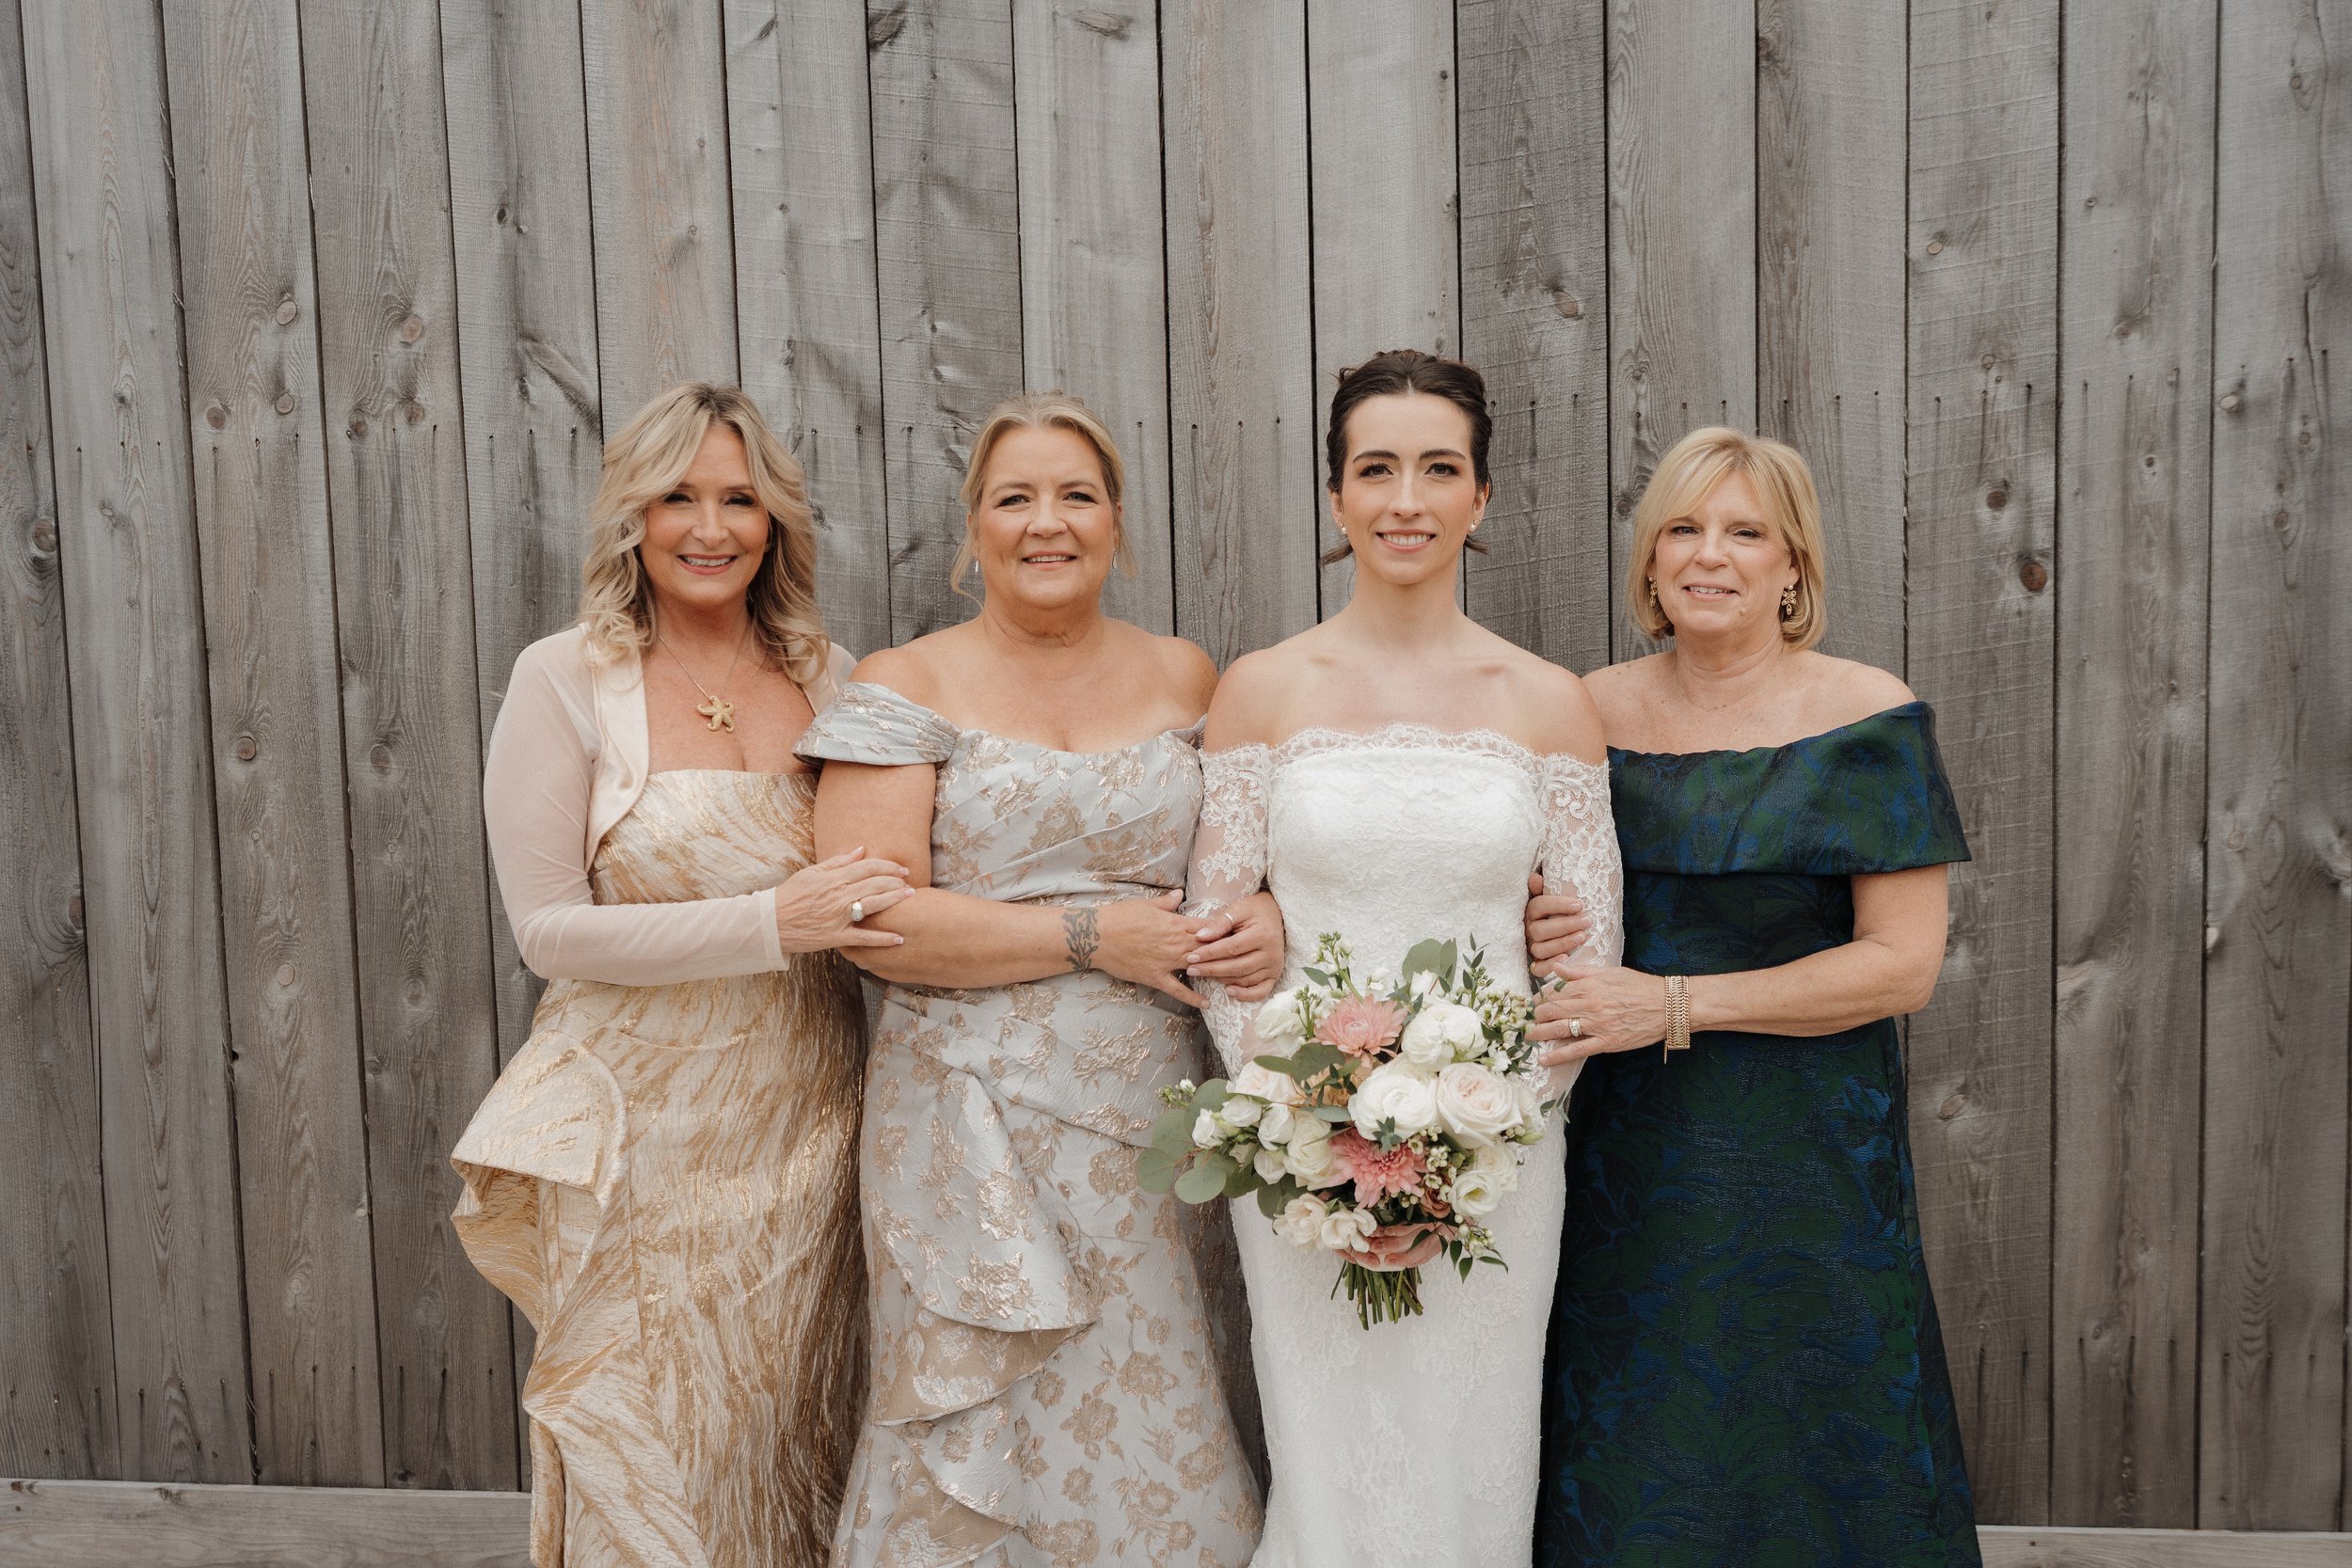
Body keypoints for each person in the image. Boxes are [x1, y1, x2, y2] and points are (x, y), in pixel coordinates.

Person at [801, 391, 1279, 1567]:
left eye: (1075, 494)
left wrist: (1263, 914)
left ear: (1116, 521)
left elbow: (1245, 855)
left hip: (1153, 1120)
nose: (1046, 522)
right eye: (1014, 498)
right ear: (974, 531)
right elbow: (868, 919)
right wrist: (1089, 936)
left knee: (1152, 1384)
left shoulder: (1184, 673)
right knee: (981, 1404)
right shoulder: (906, 678)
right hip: (965, 1113)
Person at [450, 383, 911, 1568]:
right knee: (650, 1422)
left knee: (789, 1414)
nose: (711, 527)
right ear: (632, 517)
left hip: (809, 1115)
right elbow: (548, 929)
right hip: (642, 1132)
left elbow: (887, 882)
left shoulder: (832, 673)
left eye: (740, 499)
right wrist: (769, 917)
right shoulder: (566, 675)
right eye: (679, 497)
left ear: (776, 523)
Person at [1186, 349, 1622, 1567]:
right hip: (1298, 1153)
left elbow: (1588, 973)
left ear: (1483, 498)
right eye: (1376, 467)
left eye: (1440, 468)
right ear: (1335, 495)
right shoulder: (1263, 692)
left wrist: (1464, 1147)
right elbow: (1221, 944)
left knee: (1470, 1452)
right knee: (1331, 1463)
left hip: (1498, 1159)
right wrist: (1312, 1138)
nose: (1406, 499)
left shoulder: (1548, 703)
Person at [1525, 426, 1980, 1564]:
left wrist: (1671, 1004)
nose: (1709, 554)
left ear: (1793, 566)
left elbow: (1901, 964)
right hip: (1628, 1148)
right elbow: (1530, 888)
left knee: (1811, 1416)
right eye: (1682, 527)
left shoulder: (1865, 716)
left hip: (1809, 1138)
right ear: (1647, 560)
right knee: (1640, 1411)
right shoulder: (1583, 711)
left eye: (1744, 531)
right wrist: (1536, 919)